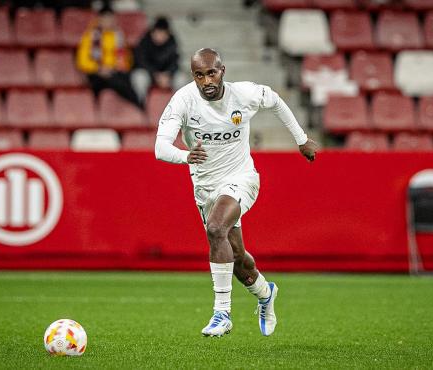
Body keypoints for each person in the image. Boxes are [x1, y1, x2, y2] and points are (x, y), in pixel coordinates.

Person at [154, 48, 319, 337]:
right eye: (199, 75)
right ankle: (265, 292)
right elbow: (160, 147)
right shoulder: (183, 100)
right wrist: (185, 156)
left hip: (241, 178)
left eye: (211, 73)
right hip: (205, 187)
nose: (206, 81)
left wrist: (301, 139)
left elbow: (277, 101)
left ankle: (222, 314)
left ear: (222, 71)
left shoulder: (244, 94)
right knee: (237, 258)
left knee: (216, 228)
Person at [75, 5, 142, 108]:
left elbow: (127, 59)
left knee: (125, 78)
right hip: (96, 72)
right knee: (113, 82)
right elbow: (82, 61)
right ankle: (139, 105)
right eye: (105, 19)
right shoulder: (91, 35)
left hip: (114, 71)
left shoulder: (118, 36)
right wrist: (99, 68)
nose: (108, 22)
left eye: (111, 19)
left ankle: (137, 107)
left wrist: (115, 68)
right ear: (100, 20)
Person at [131, 16, 187, 103]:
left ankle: (180, 107)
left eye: (163, 34)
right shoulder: (144, 41)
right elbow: (141, 61)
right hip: (150, 74)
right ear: (152, 33)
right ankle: (141, 104)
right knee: (139, 77)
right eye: (157, 33)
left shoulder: (172, 43)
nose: (160, 37)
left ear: (168, 34)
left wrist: (168, 74)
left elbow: (175, 62)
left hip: (167, 76)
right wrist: (155, 74)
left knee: (181, 78)